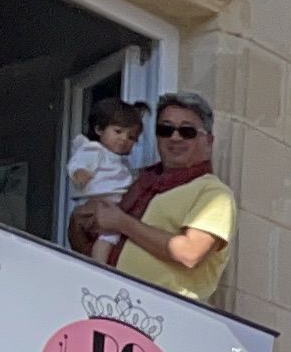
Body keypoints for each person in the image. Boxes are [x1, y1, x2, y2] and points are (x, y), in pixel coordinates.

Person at [86, 95, 235, 306]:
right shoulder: (137, 183)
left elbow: (189, 252)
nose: (175, 138)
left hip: (165, 315)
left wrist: (122, 222)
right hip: (109, 302)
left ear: (208, 141)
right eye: (165, 130)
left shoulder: (213, 193)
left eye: (187, 131)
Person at [64, 95, 143, 262]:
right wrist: (80, 173)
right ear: (99, 129)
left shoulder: (119, 161)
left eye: (131, 137)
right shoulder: (95, 149)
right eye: (118, 131)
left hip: (111, 204)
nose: (124, 139)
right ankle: (100, 267)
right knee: (109, 236)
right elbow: (78, 162)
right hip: (99, 204)